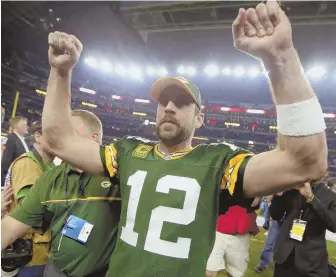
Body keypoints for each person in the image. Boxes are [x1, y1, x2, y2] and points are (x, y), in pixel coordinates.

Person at [42, 2, 327, 277]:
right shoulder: (127, 152)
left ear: (200, 119)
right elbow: (59, 140)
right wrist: (60, 71)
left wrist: (280, 58)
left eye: (181, 102)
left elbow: (304, 163)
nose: (168, 106)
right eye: (163, 101)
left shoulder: (217, 161)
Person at [2, 110, 121, 277]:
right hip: (54, 268)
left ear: (93, 138)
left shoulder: (119, 175)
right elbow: (12, 225)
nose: (60, 140)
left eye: (69, 133)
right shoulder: (52, 176)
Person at [2, 120, 55, 277]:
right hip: (31, 251)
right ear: (37, 136)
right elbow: (31, 212)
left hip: (40, 249)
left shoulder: (48, 166)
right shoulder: (28, 164)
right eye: (53, 135)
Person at [270, 183, 336, 277]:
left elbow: (333, 224)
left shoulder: (330, 195)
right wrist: (278, 195)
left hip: (311, 261)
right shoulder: (291, 189)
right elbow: (275, 214)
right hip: (284, 256)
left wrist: (311, 198)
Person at [206, 197, 260, 277]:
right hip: (218, 230)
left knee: (235, 274)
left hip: (240, 234)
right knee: (209, 271)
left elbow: (255, 202)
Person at [254, 193, 284, 273]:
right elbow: (269, 198)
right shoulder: (280, 186)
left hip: (290, 220)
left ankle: (282, 267)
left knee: (286, 246)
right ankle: (263, 264)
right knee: (269, 244)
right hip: (277, 219)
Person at [2, 116, 29, 185]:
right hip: (14, 179)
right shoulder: (11, 139)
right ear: (17, 127)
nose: (27, 127)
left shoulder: (22, 139)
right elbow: (5, 162)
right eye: (25, 125)